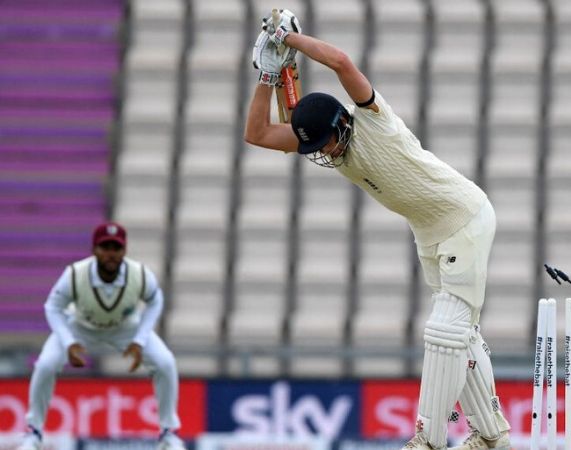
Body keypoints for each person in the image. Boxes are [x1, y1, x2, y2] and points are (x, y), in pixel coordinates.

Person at [244, 10, 511, 450]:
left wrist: (293, 43)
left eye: (322, 142)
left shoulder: (370, 117)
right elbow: (258, 133)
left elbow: (343, 63)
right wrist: (268, 76)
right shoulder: (327, 142)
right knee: (459, 336)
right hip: (429, 232)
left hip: (465, 215)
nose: (321, 153)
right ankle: (490, 436)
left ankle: (427, 439)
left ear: (340, 124)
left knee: (444, 329)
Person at [17, 222, 186, 450]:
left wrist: (140, 340)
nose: (110, 254)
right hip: (79, 326)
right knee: (46, 365)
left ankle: (168, 433)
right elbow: (52, 307)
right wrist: (69, 342)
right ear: (94, 249)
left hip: (126, 328)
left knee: (165, 362)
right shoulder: (75, 273)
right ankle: (33, 432)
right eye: (104, 247)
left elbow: (156, 300)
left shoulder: (140, 274)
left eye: (115, 248)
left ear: (124, 250)